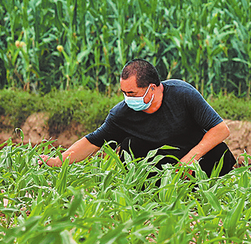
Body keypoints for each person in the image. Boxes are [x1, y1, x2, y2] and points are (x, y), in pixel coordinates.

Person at [41, 59, 237, 177]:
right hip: (160, 169)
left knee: (217, 151)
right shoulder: (122, 113)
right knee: (128, 146)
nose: (128, 98)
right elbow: (93, 141)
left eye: (132, 93)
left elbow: (221, 129)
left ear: (152, 87)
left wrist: (188, 161)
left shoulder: (182, 94)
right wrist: (57, 161)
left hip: (197, 160)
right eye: (124, 92)